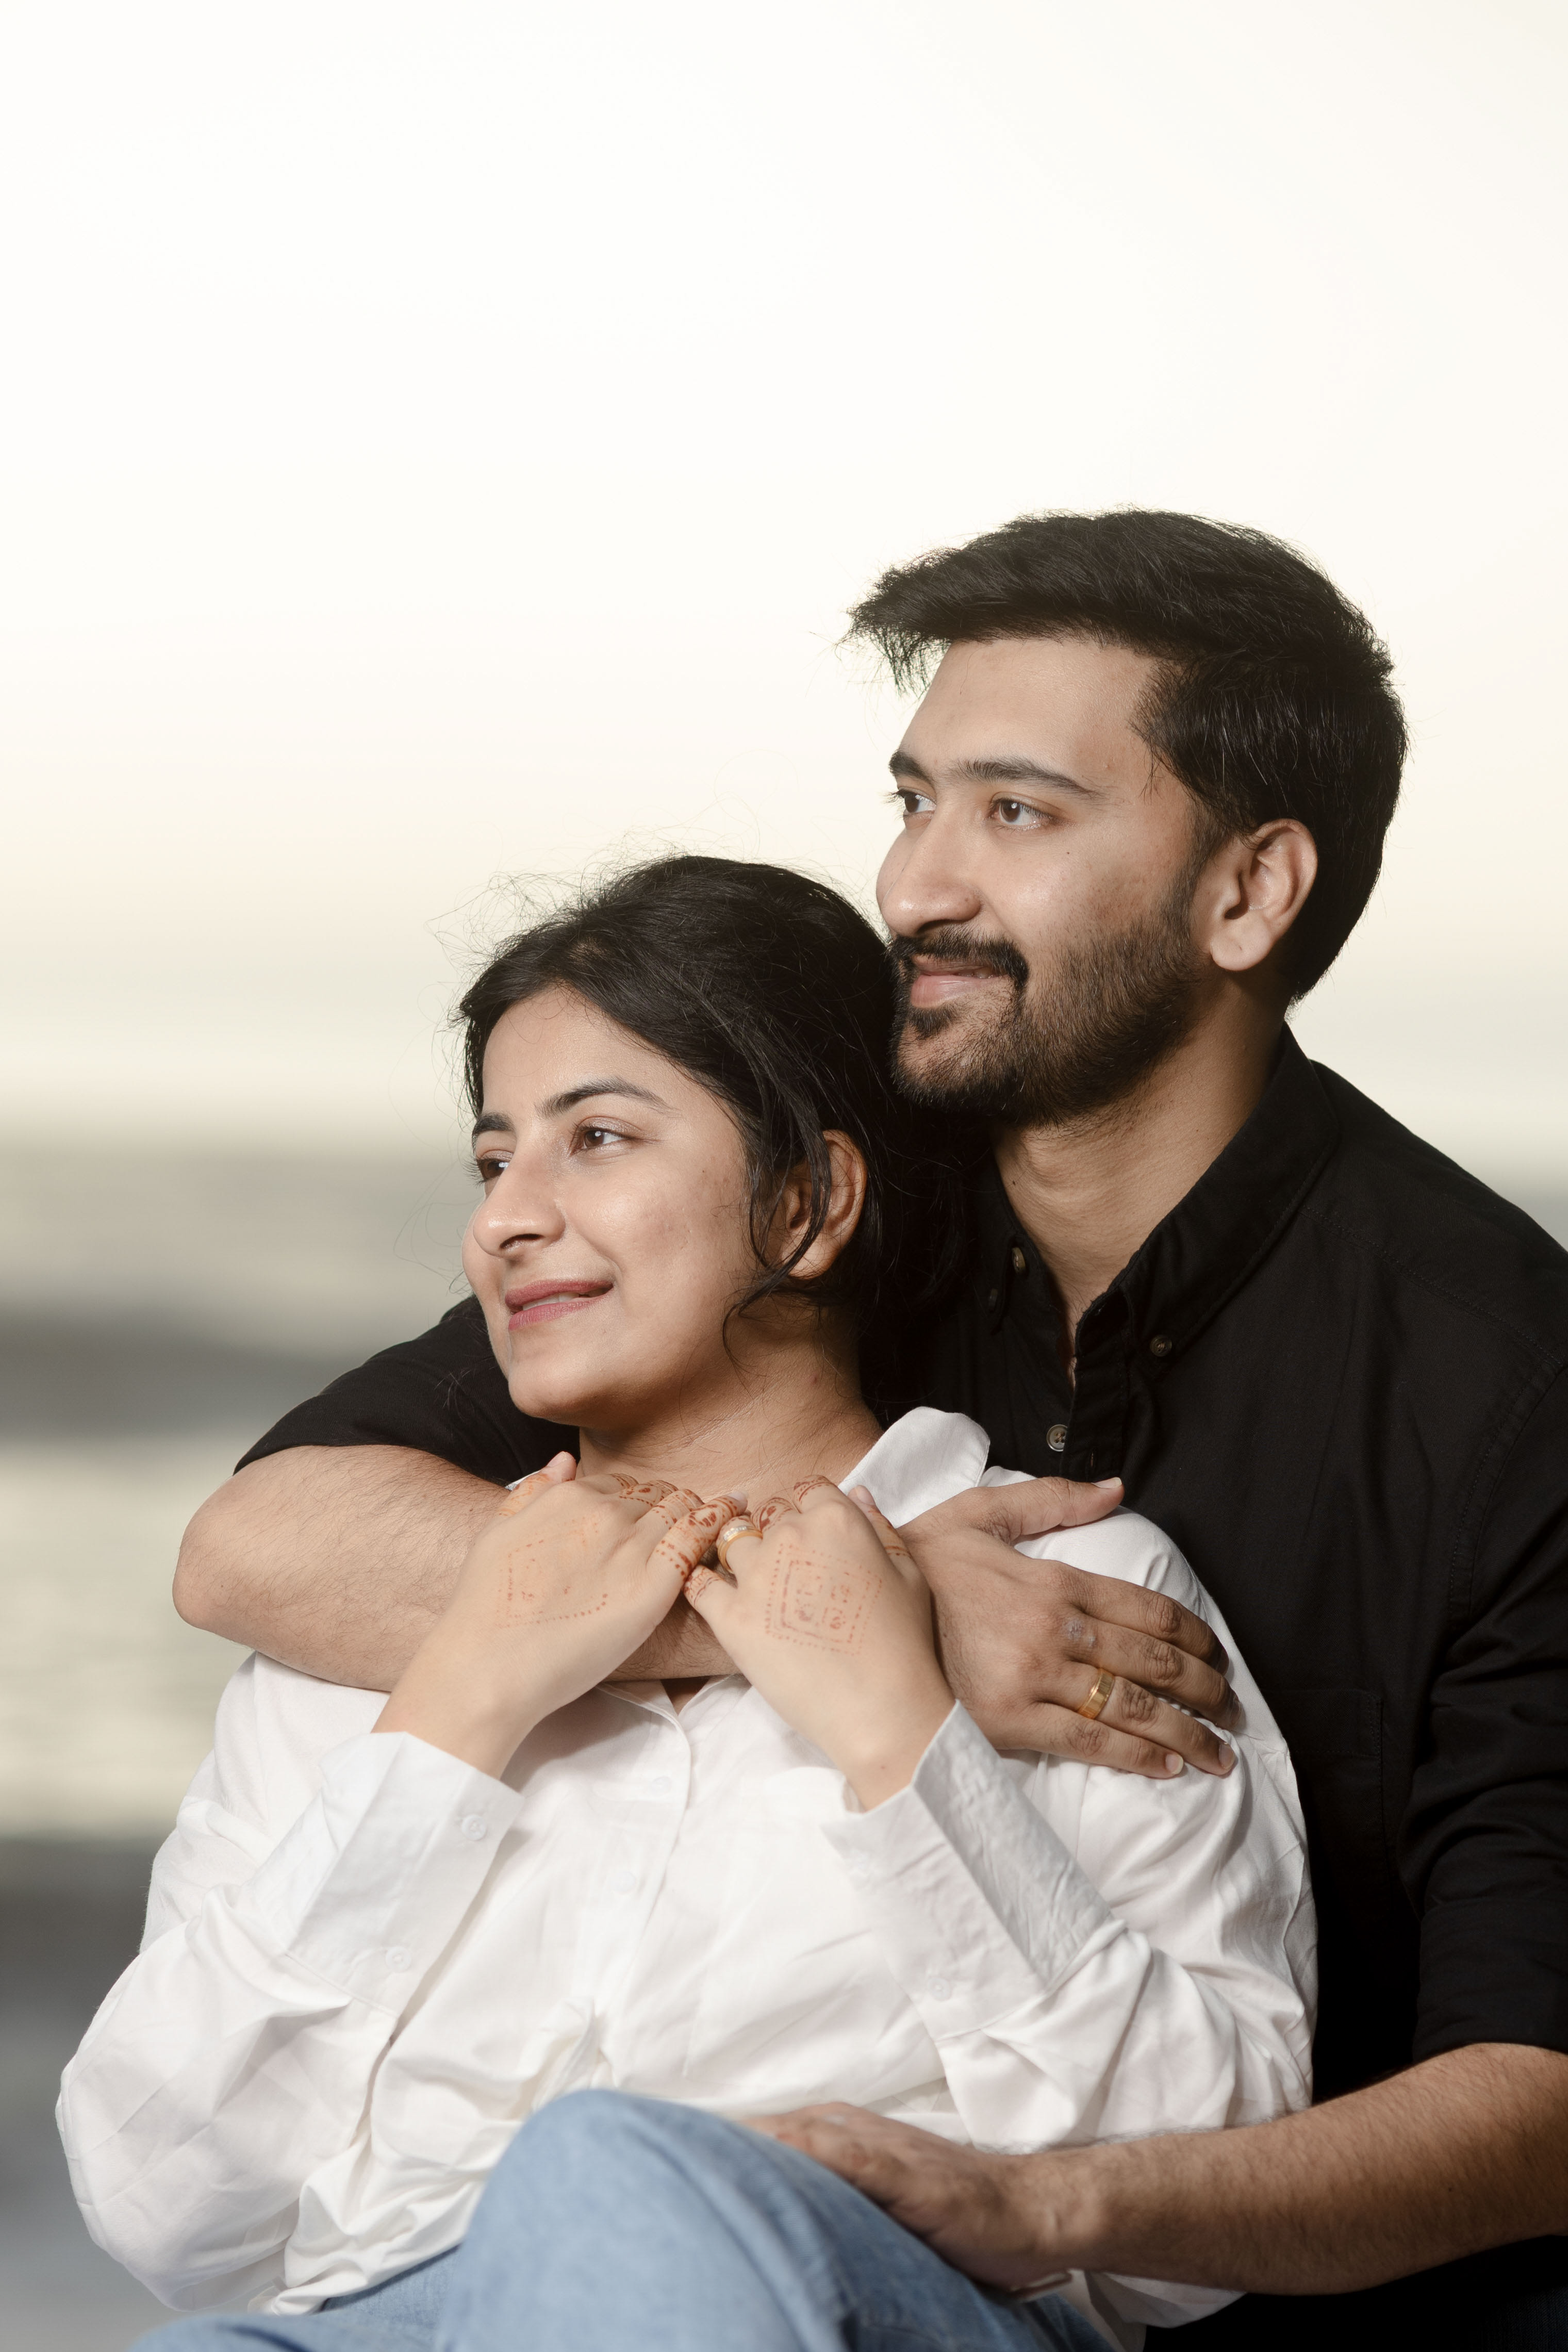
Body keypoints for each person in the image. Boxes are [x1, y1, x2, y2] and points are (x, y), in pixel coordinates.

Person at [172, 509, 1568, 2343]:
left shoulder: (1506, 1379)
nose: (912, 887)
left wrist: (1040, 2205)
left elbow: (1538, 2098)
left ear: (1248, 892)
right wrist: (820, 1605)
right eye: (914, 800)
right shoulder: (821, 1221)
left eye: (1016, 812)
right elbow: (256, 1543)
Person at [60, 860, 1313, 2352]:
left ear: (806, 1201)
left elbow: (1196, 2220)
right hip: (391, 2316)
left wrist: (898, 1731)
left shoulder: (1077, 1599)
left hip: (871, 2301)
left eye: (596, 1137)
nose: (507, 1221)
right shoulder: (378, 1640)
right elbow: (160, 2206)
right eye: (491, 1160)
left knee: (602, 2172)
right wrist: (460, 1700)